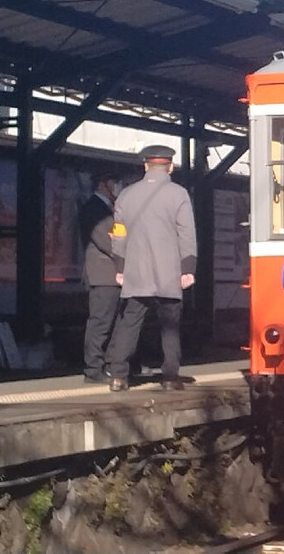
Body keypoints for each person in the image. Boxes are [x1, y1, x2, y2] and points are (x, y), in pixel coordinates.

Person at [105, 145, 197, 392]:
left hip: (136, 271)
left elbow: (118, 235)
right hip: (169, 273)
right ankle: (169, 377)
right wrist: (187, 268)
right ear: (170, 166)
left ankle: (118, 376)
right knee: (169, 326)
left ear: (146, 166)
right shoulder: (179, 194)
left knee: (129, 323)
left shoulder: (125, 195)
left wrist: (120, 265)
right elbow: (186, 233)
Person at [80, 172, 121, 383]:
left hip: (113, 275)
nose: (117, 186)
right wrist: (125, 254)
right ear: (102, 184)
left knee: (114, 323)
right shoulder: (93, 209)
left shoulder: (111, 208)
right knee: (100, 322)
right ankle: (93, 368)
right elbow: (105, 240)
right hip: (102, 275)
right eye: (114, 181)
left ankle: (109, 364)